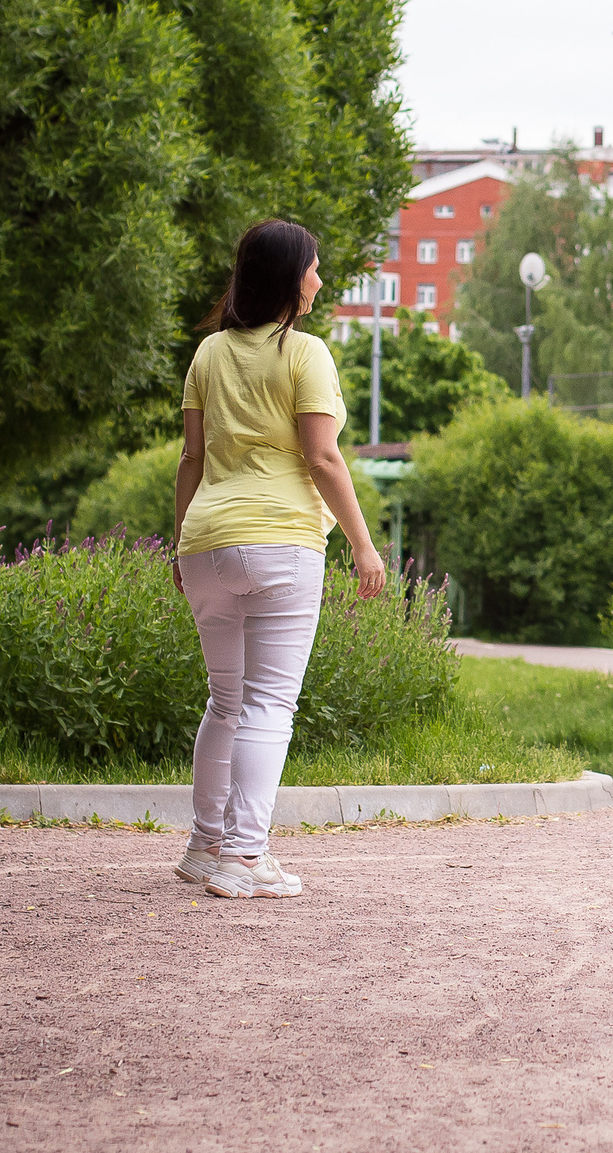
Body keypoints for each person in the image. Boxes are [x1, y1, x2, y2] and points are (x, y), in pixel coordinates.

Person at [170, 219, 387, 898]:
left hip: (205, 539)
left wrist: (181, 543)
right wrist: (362, 541)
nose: (320, 279)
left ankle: (206, 846)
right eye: (314, 268)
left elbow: (191, 458)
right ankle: (245, 855)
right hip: (281, 539)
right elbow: (321, 456)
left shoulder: (209, 354)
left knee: (226, 701)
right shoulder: (305, 352)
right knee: (269, 702)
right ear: (291, 279)